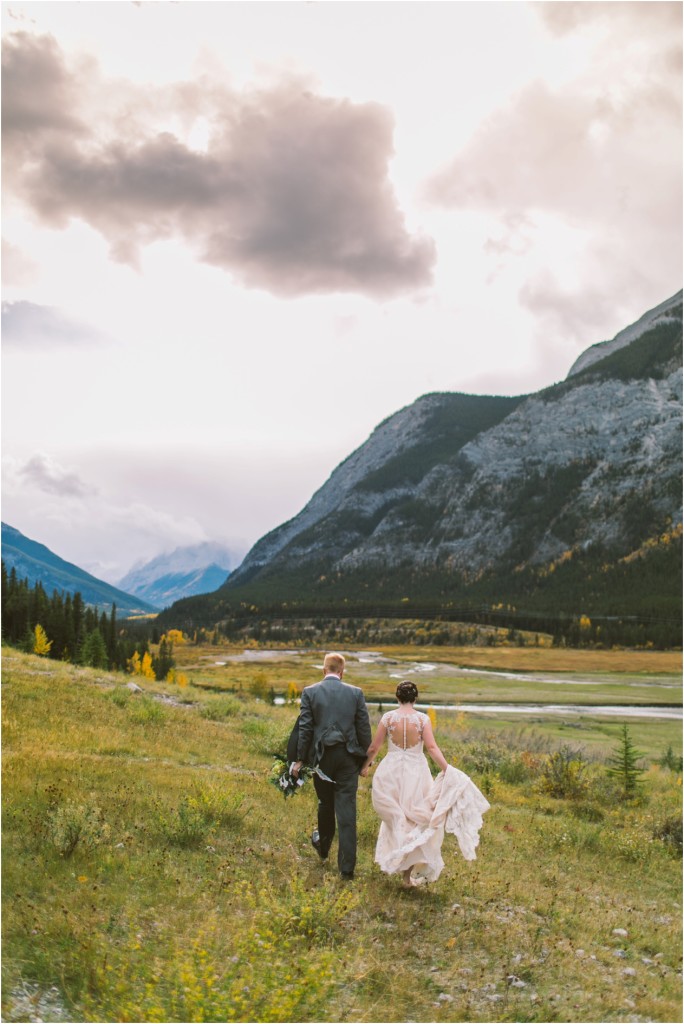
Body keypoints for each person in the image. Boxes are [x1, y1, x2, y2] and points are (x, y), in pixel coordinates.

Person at [361, 680, 490, 887]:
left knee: (396, 817)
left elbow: (374, 748)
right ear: (415, 698)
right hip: (415, 772)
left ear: (397, 697)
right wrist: (447, 769)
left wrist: (364, 766)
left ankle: (395, 858)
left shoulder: (388, 718)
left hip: (390, 771)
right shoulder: (422, 719)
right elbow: (431, 747)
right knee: (415, 819)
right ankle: (405, 875)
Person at [291, 652, 372, 881]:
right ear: (342, 672)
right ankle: (347, 869)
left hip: (322, 759)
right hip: (348, 760)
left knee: (325, 803)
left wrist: (299, 759)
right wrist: (366, 760)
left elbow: (305, 729)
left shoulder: (310, 692)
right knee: (347, 811)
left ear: (324, 670)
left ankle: (324, 847)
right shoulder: (356, 693)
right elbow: (364, 729)